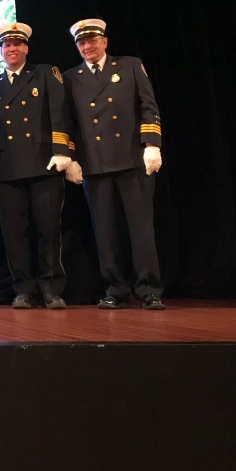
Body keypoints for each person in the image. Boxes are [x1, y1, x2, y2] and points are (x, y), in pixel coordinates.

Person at [63, 18, 166, 310]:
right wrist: (71, 158)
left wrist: (152, 145)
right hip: (95, 164)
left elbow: (148, 106)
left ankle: (149, 290)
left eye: (92, 40)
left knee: (141, 229)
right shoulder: (71, 78)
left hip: (133, 159)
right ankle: (115, 289)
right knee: (105, 233)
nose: (87, 46)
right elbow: (66, 122)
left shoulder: (130, 66)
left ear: (104, 42)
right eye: (81, 43)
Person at [0, 22, 72, 310]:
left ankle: (51, 288)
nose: (12, 49)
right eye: (7, 45)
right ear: (2, 50)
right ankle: (23, 289)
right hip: (7, 168)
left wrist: (62, 151)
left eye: (17, 44)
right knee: (14, 233)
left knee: (48, 230)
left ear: (26, 48)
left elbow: (59, 112)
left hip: (44, 164)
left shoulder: (45, 73)